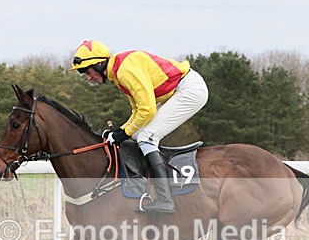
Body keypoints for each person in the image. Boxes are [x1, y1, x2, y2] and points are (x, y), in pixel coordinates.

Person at [70, 40, 209, 213]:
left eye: (86, 71)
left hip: (189, 90)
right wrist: (121, 131)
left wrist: (123, 133)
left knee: (146, 137)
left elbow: (148, 110)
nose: (87, 77)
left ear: (99, 64)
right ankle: (150, 186)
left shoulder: (125, 70)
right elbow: (137, 110)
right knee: (138, 135)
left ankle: (165, 199)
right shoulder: (118, 73)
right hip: (179, 90)